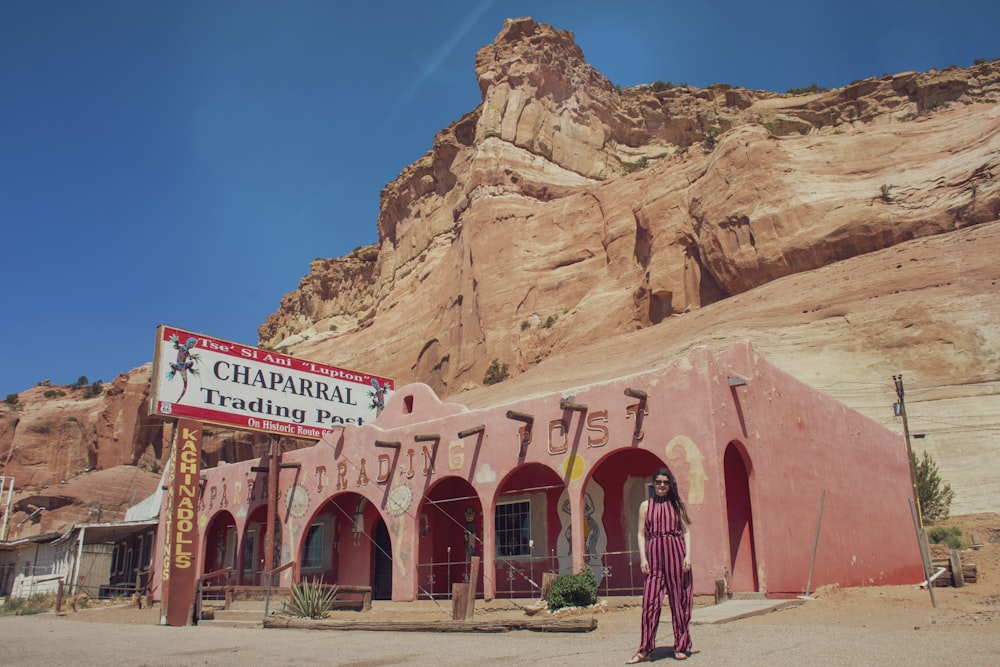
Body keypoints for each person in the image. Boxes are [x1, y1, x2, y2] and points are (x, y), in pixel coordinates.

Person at [627, 466, 693, 663]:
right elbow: (640, 533)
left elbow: (686, 532)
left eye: (665, 482)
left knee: (679, 601)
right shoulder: (645, 506)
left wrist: (688, 556)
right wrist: (643, 558)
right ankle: (645, 649)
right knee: (649, 603)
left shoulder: (677, 505)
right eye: (658, 482)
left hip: (676, 554)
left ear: (669, 484)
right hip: (654, 557)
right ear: (654, 484)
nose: (662, 485)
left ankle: (681, 645)